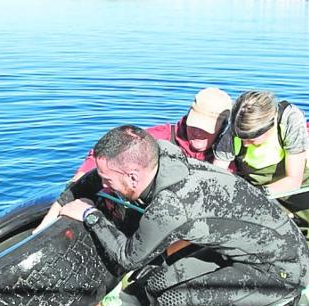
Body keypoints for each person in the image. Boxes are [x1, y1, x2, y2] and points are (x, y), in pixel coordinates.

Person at [57, 125, 309, 306]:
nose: (105, 186)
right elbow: (97, 180)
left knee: (172, 304)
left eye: (108, 180)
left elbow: (128, 258)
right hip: (248, 249)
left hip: (281, 270)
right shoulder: (164, 156)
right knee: (155, 281)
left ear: (133, 177)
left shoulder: (171, 205)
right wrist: (65, 199)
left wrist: (91, 216)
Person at [35, 87, 232, 233]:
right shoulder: (158, 136)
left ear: (223, 127)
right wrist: (81, 176)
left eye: (206, 130)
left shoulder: (229, 157)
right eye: (194, 125)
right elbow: (108, 150)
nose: (197, 133)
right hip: (143, 213)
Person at [213, 91, 309, 257]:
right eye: (241, 137)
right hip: (251, 181)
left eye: (251, 138)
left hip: (291, 179)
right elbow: (217, 173)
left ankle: (305, 257)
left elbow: (293, 179)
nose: (244, 143)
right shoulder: (236, 127)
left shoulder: (289, 119)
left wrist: (257, 196)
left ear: (269, 125)